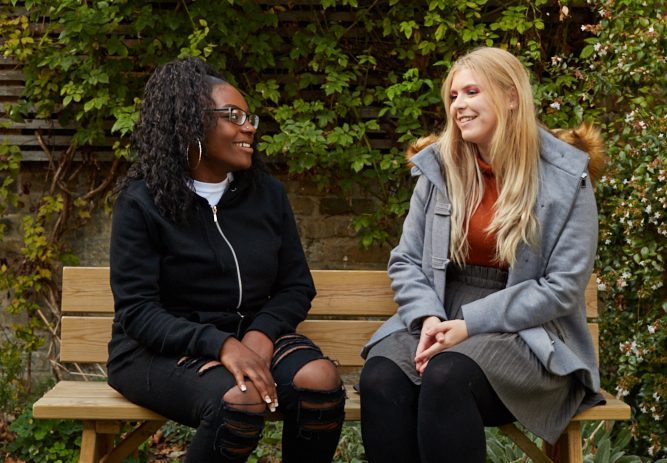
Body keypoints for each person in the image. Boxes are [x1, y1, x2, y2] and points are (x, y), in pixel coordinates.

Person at [358, 47, 605, 463]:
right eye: (453, 96)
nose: (459, 106)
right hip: (440, 312)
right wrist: (428, 318)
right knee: (382, 377)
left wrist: (470, 324)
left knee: (448, 375)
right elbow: (405, 260)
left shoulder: (565, 178)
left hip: (527, 330)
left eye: (472, 92)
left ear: (511, 96)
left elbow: (562, 289)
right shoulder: (440, 168)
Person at [107, 57, 345, 463]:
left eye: (249, 116)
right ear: (191, 125)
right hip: (154, 351)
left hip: (250, 338)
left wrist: (259, 334)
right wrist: (220, 345)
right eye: (233, 116)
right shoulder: (143, 204)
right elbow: (139, 311)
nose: (249, 126)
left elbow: (296, 285)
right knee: (242, 399)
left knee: (319, 380)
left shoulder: (267, 195)